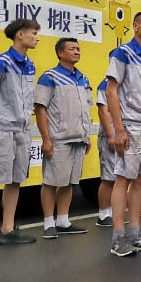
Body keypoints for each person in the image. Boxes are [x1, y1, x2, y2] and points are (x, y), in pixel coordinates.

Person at [0, 19, 41, 252]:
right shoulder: (1, 62)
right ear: (20, 35)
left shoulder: (30, 65)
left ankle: (7, 229)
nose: (37, 37)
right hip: (2, 128)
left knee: (15, 180)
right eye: (33, 33)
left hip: (23, 130)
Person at [105, 12, 141, 257]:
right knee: (124, 178)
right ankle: (118, 237)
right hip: (132, 126)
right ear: (135, 26)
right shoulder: (122, 54)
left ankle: (135, 233)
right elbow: (111, 92)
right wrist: (119, 129)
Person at [35, 38, 93, 239]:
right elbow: (40, 108)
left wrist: (88, 135)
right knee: (51, 181)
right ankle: (48, 223)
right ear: (60, 53)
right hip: (58, 139)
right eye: (72, 49)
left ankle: (63, 220)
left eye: (78, 48)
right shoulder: (49, 77)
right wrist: (46, 139)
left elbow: (86, 109)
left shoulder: (83, 78)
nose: (77, 51)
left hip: (79, 139)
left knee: (69, 182)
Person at [95, 78, 116, 227]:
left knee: (118, 178)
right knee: (108, 177)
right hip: (110, 136)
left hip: (123, 137)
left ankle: (112, 212)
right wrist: (110, 135)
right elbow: (102, 111)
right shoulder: (106, 84)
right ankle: (103, 214)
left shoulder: (125, 81)